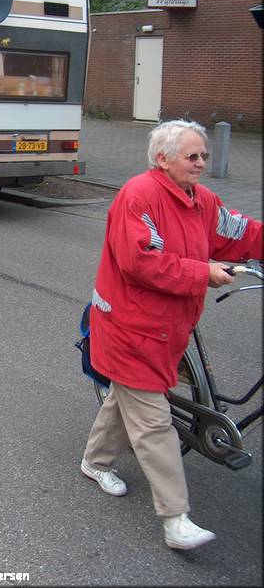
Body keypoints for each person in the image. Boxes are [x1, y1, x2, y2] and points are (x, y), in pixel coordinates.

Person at [80, 120, 263, 551]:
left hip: (168, 326)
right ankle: (175, 518)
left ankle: (94, 461)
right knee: (153, 421)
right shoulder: (139, 196)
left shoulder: (201, 200)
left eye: (203, 155)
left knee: (125, 400)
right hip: (130, 327)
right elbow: (140, 261)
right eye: (192, 156)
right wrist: (205, 272)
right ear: (163, 159)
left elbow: (238, 231)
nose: (201, 163)